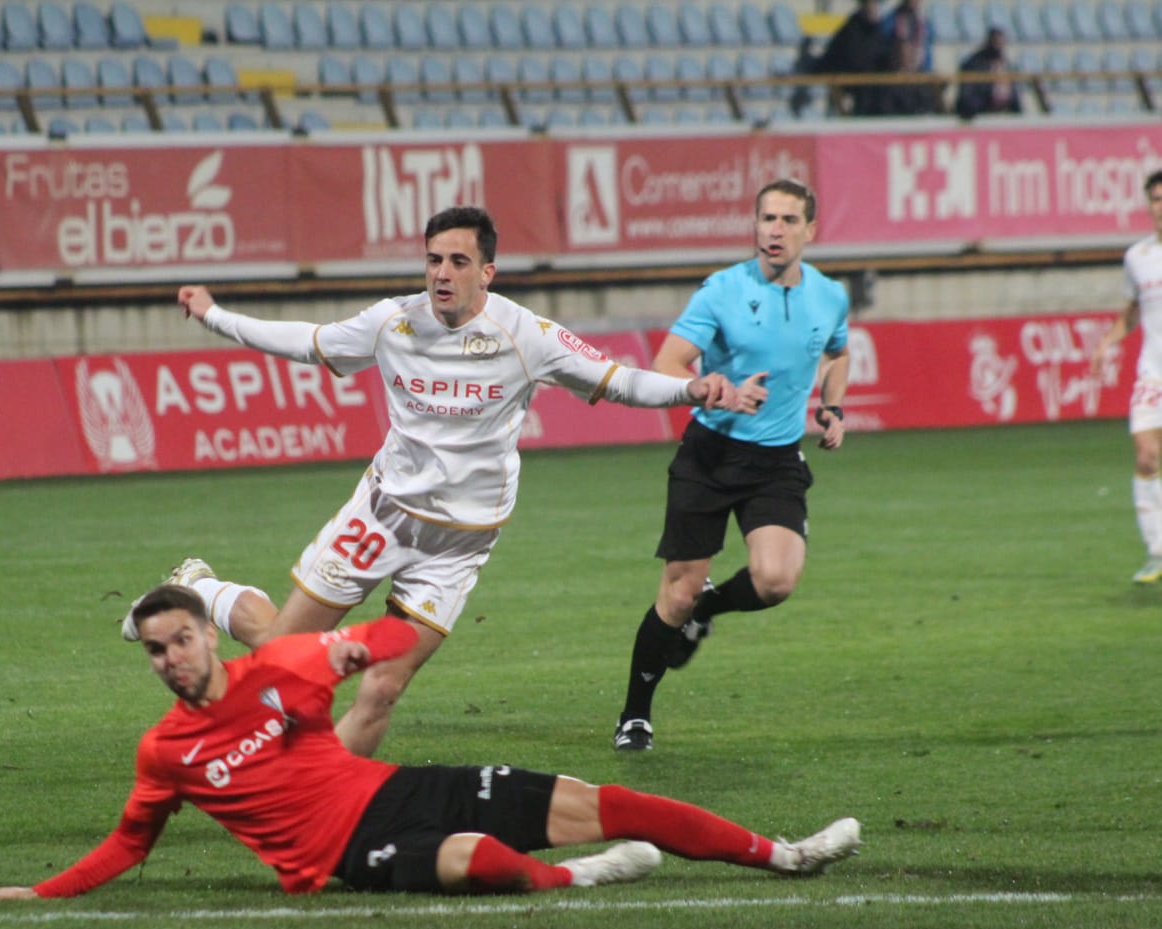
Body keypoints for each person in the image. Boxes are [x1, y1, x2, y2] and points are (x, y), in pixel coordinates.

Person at [125, 205, 760, 759]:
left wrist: (689, 388)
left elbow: (618, 380)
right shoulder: (393, 322)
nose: (441, 274)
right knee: (279, 653)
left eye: (458, 261)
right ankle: (202, 588)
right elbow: (306, 342)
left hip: (458, 546)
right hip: (381, 518)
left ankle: (328, 798)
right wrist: (215, 316)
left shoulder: (527, 335)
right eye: (433, 260)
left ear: (487, 272)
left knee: (383, 687)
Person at [0, 585, 862, 901]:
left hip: (392, 791)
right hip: (343, 854)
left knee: (602, 801)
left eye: (181, 641)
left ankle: (783, 855)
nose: (170, 658)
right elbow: (131, 843)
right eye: (156, 649)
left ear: (208, 636)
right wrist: (41, 891)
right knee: (482, 860)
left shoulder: (279, 666)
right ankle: (577, 875)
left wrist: (365, 646)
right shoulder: (164, 752)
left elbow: (401, 636)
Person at [614, 179, 851, 752]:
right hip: (711, 456)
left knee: (776, 581)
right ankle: (634, 714)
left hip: (775, 462)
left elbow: (839, 351)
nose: (775, 229)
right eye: (767, 218)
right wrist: (712, 388)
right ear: (754, 225)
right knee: (674, 596)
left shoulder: (829, 295)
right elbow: (668, 361)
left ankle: (710, 607)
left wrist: (833, 406)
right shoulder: (721, 291)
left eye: (788, 220)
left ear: (809, 231)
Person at [1087, 169, 1162, 584]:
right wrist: (1107, 342)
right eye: (1155, 199)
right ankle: (1157, 550)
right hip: (1153, 375)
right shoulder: (1138, 257)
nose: (1161, 207)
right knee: (1146, 456)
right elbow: (1133, 310)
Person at [815, 0, 891, 117]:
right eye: (869, 4)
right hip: (853, 91)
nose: (873, 9)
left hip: (875, 91)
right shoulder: (850, 31)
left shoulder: (879, 32)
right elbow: (834, 62)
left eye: (876, 4)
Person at [880, 0, 939, 115]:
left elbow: (927, 55)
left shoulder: (923, 23)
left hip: (920, 79)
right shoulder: (890, 23)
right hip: (896, 80)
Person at [954, 26, 1022, 120]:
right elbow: (969, 93)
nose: (998, 45)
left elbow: (1013, 91)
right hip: (981, 108)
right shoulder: (975, 62)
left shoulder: (1006, 63)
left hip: (1005, 108)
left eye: (1000, 42)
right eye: (995, 42)